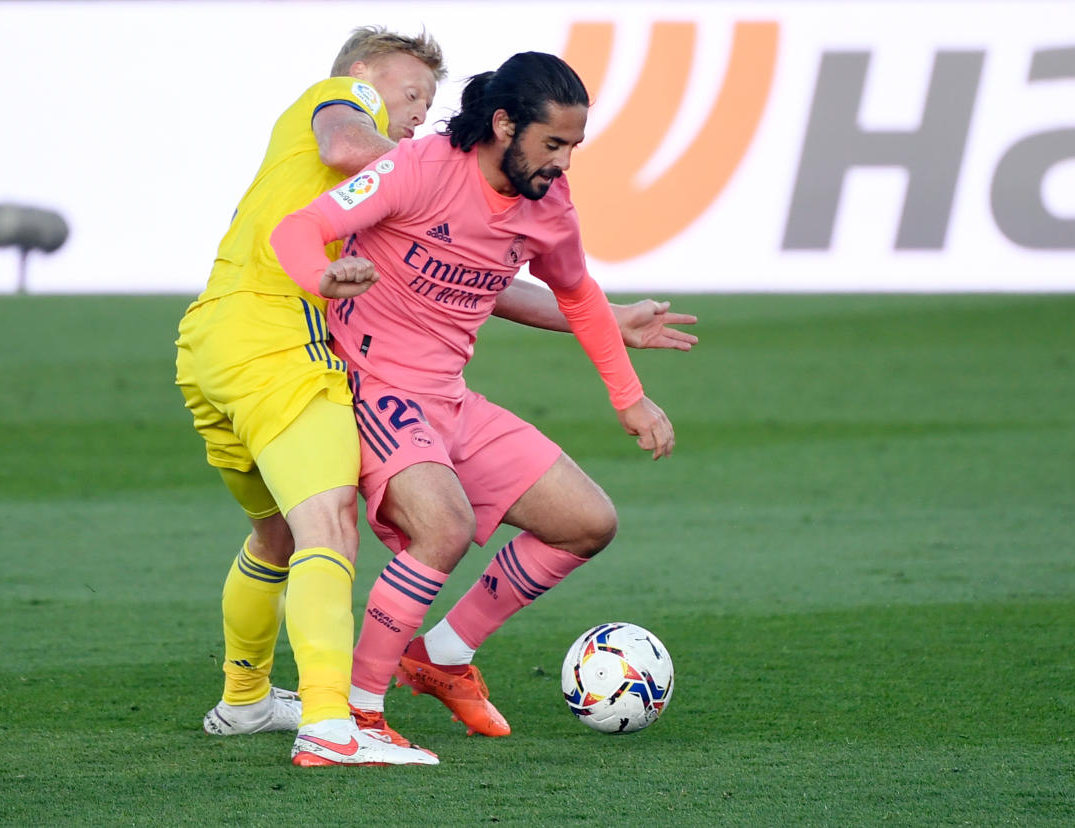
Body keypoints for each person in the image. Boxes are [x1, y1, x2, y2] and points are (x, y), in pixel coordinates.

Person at [175, 28, 696, 767]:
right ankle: (359, 712)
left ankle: (441, 654)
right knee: (440, 527)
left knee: (586, 521)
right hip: (373, 386)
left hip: (448, 398)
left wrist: (630, 397)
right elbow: (303, 226)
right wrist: (319, 279)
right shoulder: (415, 165)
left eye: (575, 146)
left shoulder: (548, 202)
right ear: (505, 125)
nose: (564, 162)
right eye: (554, 143)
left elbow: (573, 290)